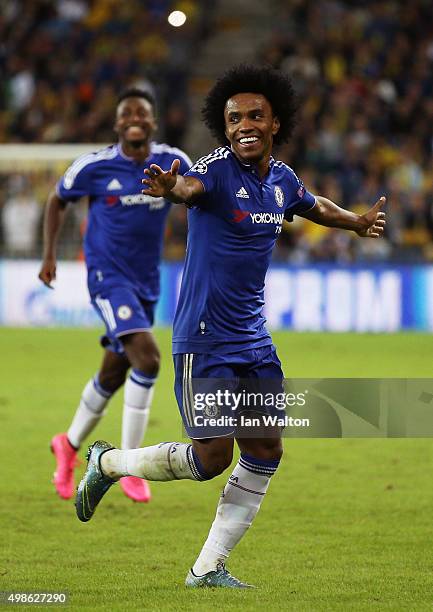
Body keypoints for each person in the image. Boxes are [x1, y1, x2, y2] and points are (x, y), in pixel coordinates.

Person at [75, 65, 386, 587]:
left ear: (273, 123)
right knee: (211, 457)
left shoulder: (281, 179)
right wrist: (171, 185)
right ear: (224, 127)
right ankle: (108, 464)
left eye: (254, 116)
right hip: (205, 340)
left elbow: (313, 206)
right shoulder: (216, 170)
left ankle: (207, 568)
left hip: (254, 341)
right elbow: (189, 187)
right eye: (234, 118)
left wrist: (354, 221)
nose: (243, 124)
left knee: (266, 448)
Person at [38, 88, 192, 503]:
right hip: (107, 277)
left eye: (142, 112)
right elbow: (57, 199)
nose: (135, 118)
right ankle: (128, 466)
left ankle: (67, 446)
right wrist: (49, 254)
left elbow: (198, 191)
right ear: (118, 123)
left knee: (113, 373)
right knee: (149, 358)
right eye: (127, 113)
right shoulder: (95, 166)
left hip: (146, 281)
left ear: (153, 122)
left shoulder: (171, 160)